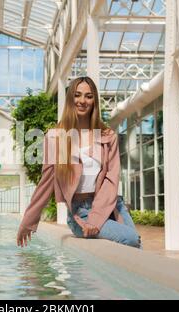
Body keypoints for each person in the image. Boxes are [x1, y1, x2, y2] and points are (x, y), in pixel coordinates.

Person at [17, 76, 141, 248]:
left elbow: (111, 180)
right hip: (80, 212)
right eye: (77, 95)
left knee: (136, 245)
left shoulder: (107, 136)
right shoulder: (56, 138)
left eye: (89, 96)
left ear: (94, 101)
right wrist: (28, 221)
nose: (82, 101)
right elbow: (45, 184)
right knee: (130, 239)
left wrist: (96, 219)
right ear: (70, 99)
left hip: (112, 205)